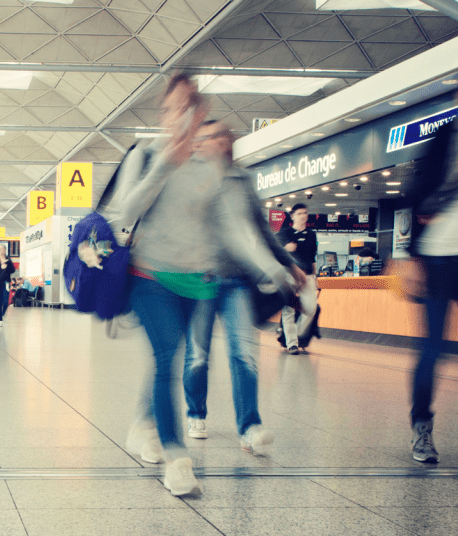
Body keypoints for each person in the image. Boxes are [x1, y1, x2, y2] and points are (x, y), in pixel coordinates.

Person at [118, 73, 293, 496]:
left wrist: (272, 269)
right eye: (169, 109)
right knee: (168, 359)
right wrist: (165, 164)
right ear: (162, 115)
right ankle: (177, 458)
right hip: (150, 277)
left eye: (186, 108)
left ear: (200, 113)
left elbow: (233, 230)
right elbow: (126, 211)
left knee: (176, 358)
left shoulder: (213, 170)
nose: (177, 117)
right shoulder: (144, 155)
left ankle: (145, 424)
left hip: (198, 283)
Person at [181, 121, 304, 452]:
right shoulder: (188, 179)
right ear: (201, 143)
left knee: (244, 355)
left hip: (236, 281)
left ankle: (249, 426)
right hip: (200, 280)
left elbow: (261, 229)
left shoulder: (242, 180)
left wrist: (289, 264)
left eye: (226, 135)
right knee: (198, 356)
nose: (225, 141)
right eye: (214, 136)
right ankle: (196, 412)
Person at [403, 109, 458, 464]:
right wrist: (411, 256)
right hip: (439, 253)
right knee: (433, 347)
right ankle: (421, 425)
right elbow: (417, 190)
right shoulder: (446, 138)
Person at [277, 203, 318, 355]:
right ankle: (292, 344)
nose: (303, 215)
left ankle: (298, 334)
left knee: (311, 309)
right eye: (299, 213)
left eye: (305, 213)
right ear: (292, 215)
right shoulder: (284, 233)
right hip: (290, 276)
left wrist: (315, 276)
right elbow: (274, 251)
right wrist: (284, 249)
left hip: (307, 276)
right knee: (288, 311)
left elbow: (312, 256)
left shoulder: (312, 234)